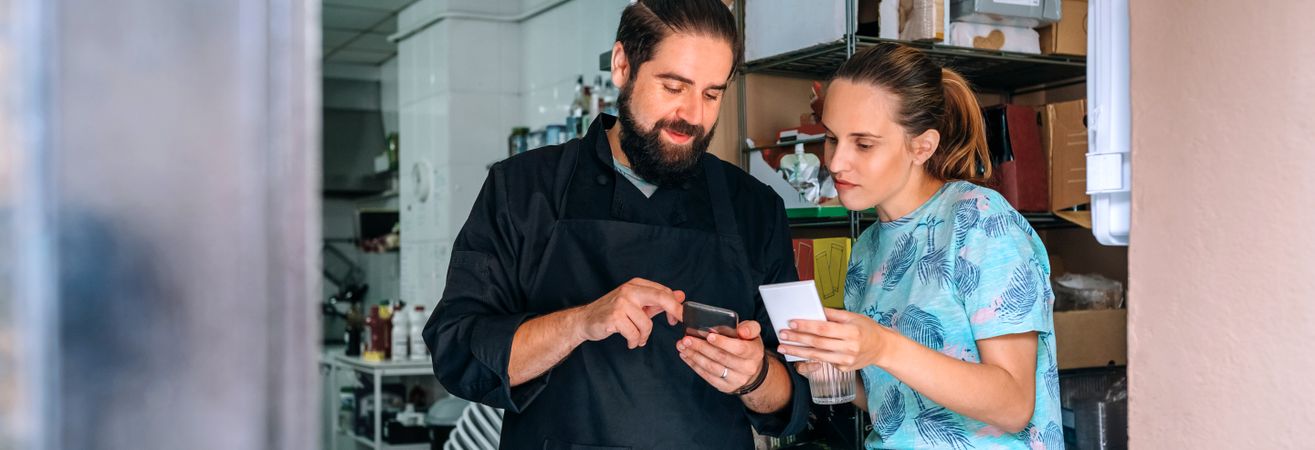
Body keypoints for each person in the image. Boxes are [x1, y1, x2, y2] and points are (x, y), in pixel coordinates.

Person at [422, 1, 809, 448]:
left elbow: (797, 393)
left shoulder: (754, 207)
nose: (694, 115)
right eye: (673, 87)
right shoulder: (522, 189)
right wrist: (581, 322)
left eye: (711, 94)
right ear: (623, 65)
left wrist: (755, 374)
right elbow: (457, 351)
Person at [777, 43, 1063, 449]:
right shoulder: (868, 247)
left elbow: (1014, 403)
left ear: (922, 147)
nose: (837, 162)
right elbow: (892, 401)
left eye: (863, 144)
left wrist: (883, 346)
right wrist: (831, 363)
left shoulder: (980, 220)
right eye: (831, 138)